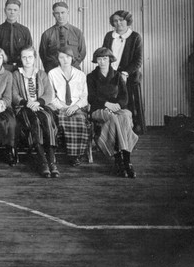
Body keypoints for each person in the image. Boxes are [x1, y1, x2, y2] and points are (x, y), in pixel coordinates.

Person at [87, 47, 139, 178]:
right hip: (99, 109)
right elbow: (91, 98)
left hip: (116, 108)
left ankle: (126, 160)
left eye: (105, 59)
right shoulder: (91, 77)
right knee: (114, 119)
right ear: (96, 61)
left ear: (110, 60)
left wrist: (118, 105)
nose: (102, 62)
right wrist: (106, 104)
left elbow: (125, 97)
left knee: (126, 116)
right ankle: (119, 159)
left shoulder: (117, 76)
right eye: (99, 59)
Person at [12, 46, 59, 178]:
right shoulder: (16, 74)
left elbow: (49, 93)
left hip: (40, 106)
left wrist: (38, 102)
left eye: (30, 57)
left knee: (48, 120)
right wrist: (27, 103)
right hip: (24, 108)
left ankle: (52, 161)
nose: (27, 60)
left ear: (34, 58)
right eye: (24, 57)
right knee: (35, 122)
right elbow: (14, 94)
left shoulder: (42, 73)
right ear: (20, 59)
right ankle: (42, 162)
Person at [102, 10, 145, 134]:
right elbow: (104, 55)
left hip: (130, 75)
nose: (118, 23)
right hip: (112, 74)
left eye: (121, 20)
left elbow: (138, 61)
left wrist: (125, 73)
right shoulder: (109, 36)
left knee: (128, 100)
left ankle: (132, 126)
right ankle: (114, 126)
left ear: (128, 21)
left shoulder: (135, 36)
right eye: (115, 21)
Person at [47, 46, 89, 167]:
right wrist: (63, 107)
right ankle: (64, 151)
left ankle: (75, 155)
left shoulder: (80, 75)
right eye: (62, 57)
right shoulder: (52, 73)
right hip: (59, 107)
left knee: (80, 119)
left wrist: (75, 107)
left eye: (68, 57)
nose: (65, 60)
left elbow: (84, 97)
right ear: (58, 59)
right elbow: (51, 96)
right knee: (62, 119)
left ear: (72, 58)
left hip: (76, 107)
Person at [39, 2, 86, 72]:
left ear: (68, 13)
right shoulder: (47, 34)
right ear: (53, 14)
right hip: (53, 71)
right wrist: (51, 69)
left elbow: (82, 52)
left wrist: (72, 66)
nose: (60, 16)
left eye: (63, 12)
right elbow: (43, 54)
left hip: (73, 70)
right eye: (57, 13)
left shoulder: (77, 32)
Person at [0, 0, 33, 70]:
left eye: (15, 10)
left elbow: (29, 51)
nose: (12, 12)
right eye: (9, 9)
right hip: (3, 68)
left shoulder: (25, 30)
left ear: (19, 12)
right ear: (5, 11)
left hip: (21, 67)